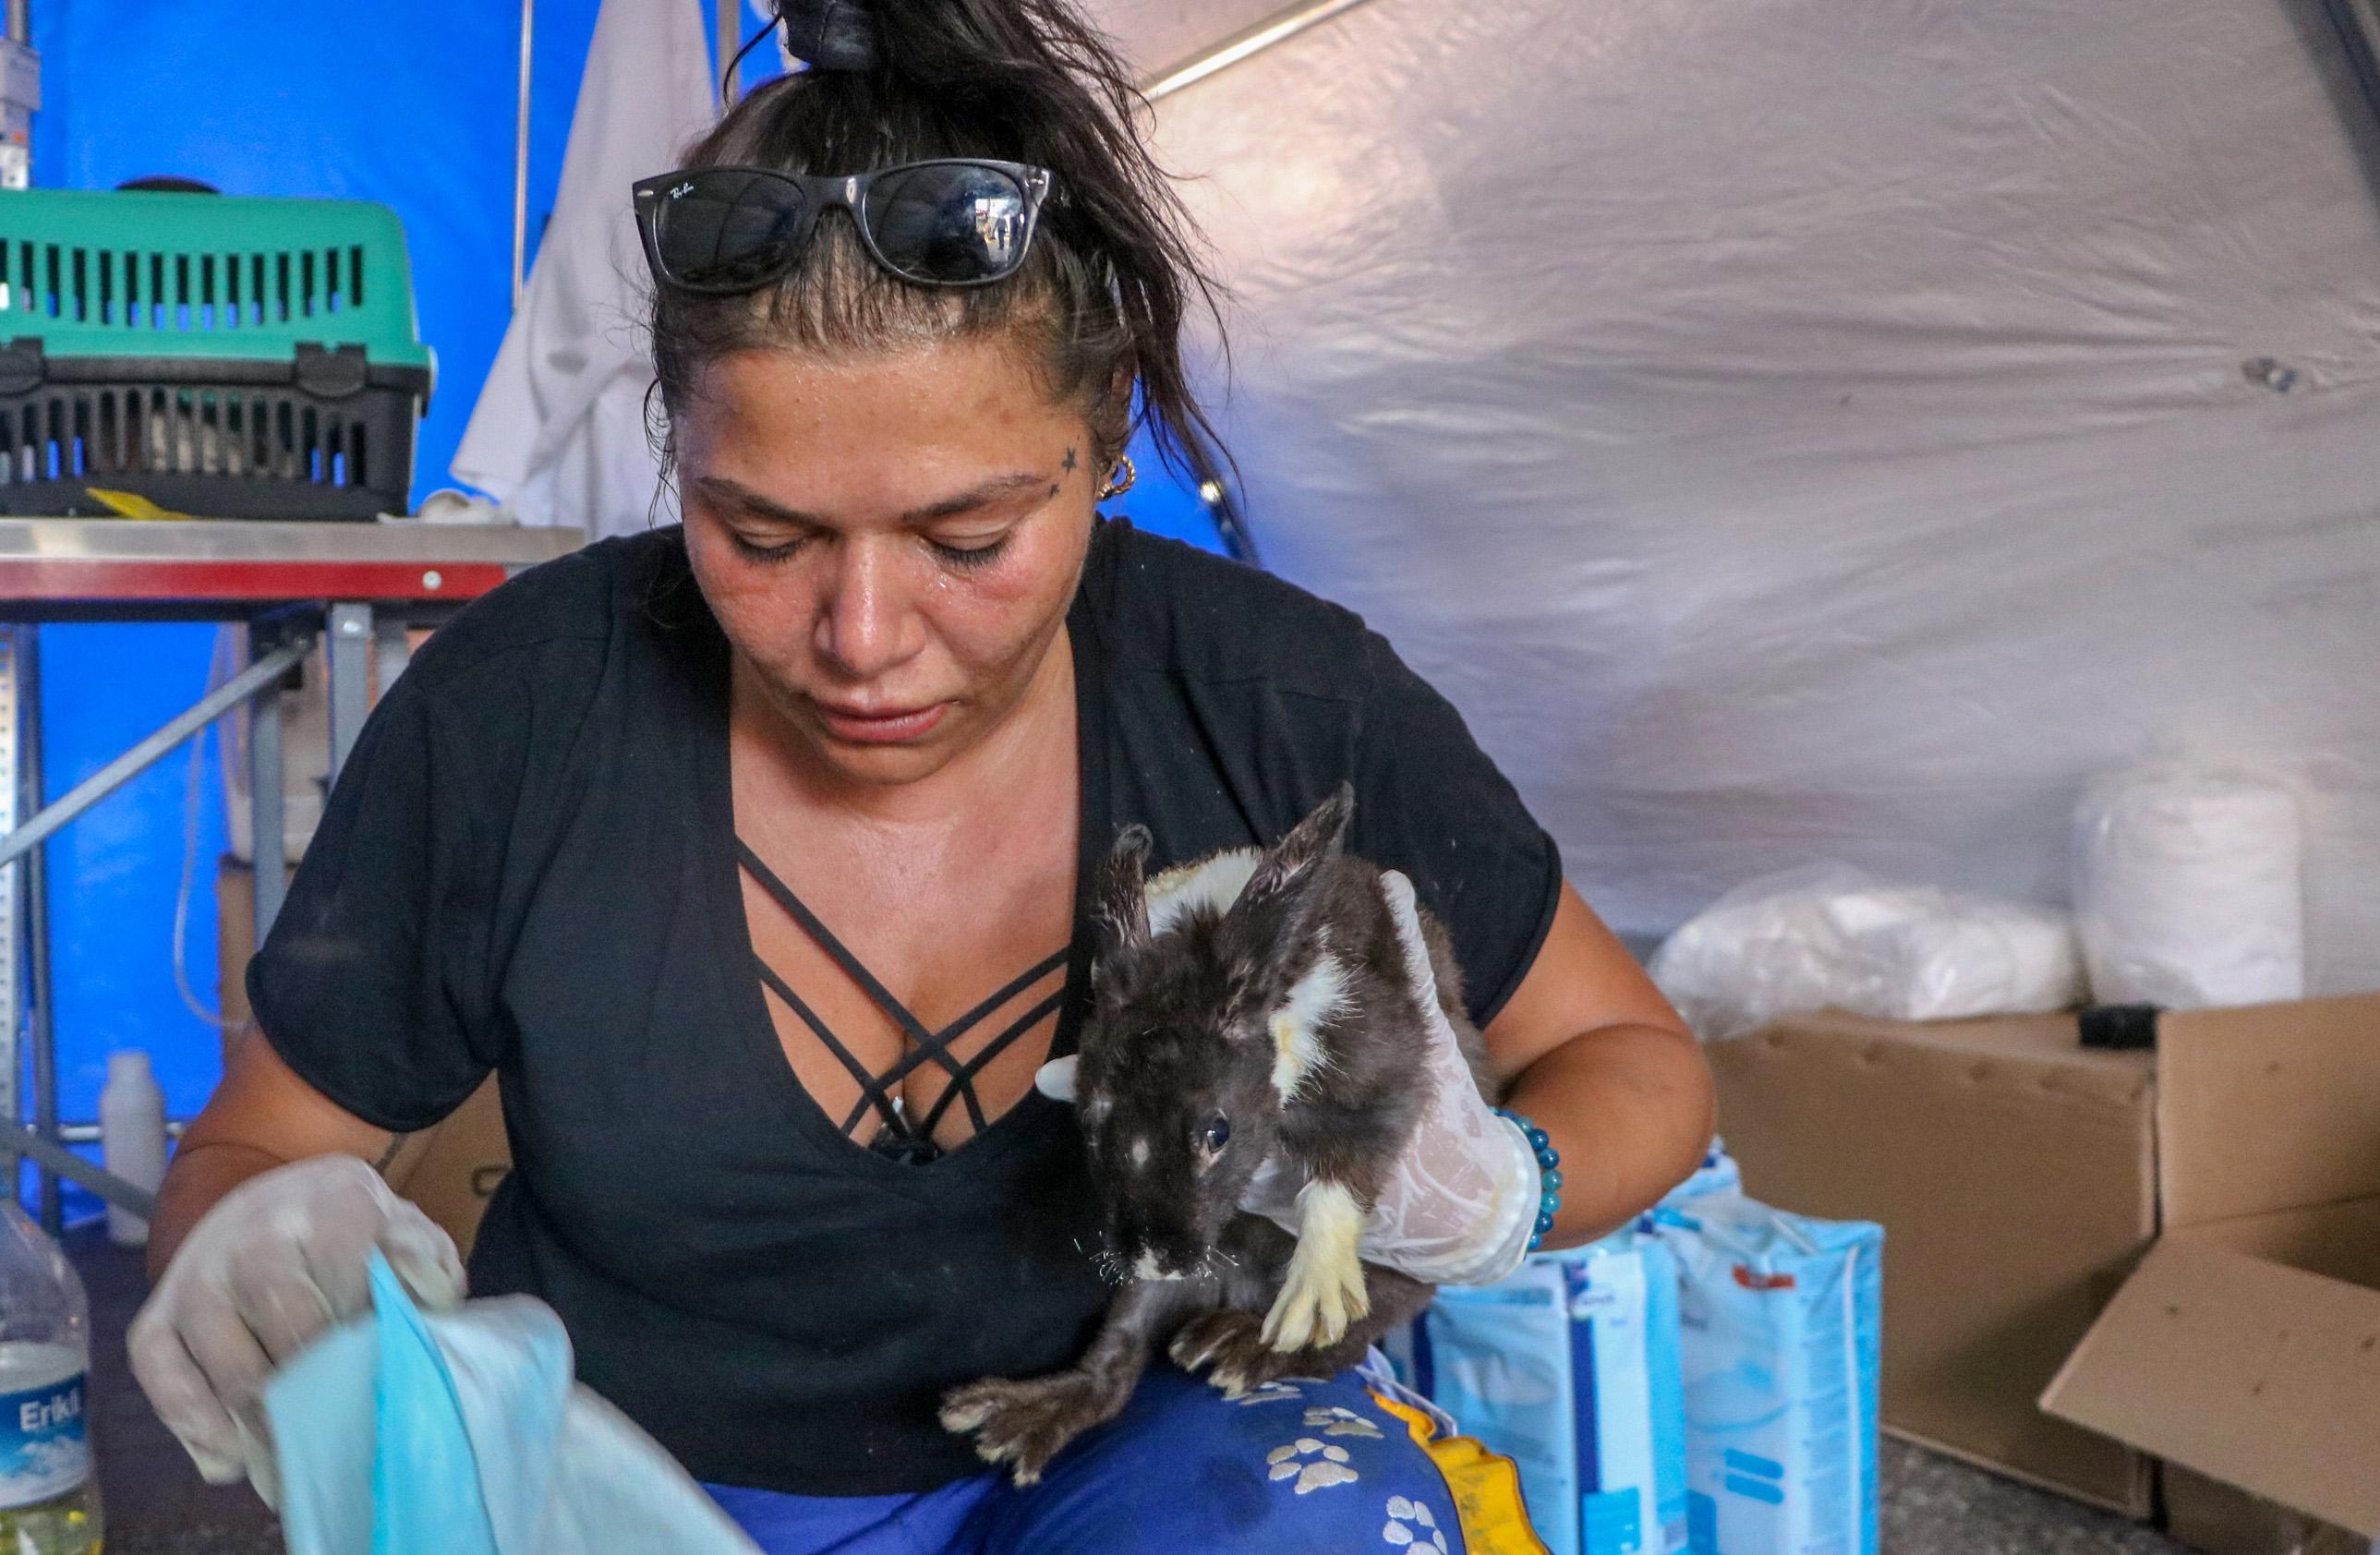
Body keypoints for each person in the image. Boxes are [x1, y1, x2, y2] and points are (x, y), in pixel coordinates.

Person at [127, 0, 1714, 1549]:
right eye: (762, 536)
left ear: (1106, 441)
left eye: (968, 541)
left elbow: (1629, 1054)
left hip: (1155, 1465)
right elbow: (260, 1146)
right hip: (630, 1486)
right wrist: (255, 1238)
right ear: (675, 450)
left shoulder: (1273, 698)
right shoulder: (522, 713)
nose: (864, 636)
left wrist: (1502, 1184)